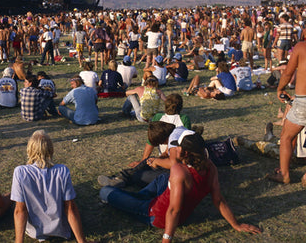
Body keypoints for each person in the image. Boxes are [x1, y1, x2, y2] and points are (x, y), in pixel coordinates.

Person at [99, 130, 261, 240]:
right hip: (180, 214)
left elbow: (173, 210)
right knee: (162, 180)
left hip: (156, 215)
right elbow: (218, 200)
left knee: (106, 192)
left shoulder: (179, 171)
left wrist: (166, 239)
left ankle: (126, 194)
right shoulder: (210, 166)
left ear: (184, 151)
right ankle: (138, 196)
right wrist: (236, 225)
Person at [11, 130, 92, 243]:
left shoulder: (20, 172)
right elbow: (70, 208)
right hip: (61, 229)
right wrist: (82, 241)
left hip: (35, 231)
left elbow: (20, 211)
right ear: (50, 149)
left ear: (30, 149)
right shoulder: (62, 171)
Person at [268, 41, 306, 185]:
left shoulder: (301, 47)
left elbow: (288, 72)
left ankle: (284, 174)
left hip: (304, 101)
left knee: (286, 137)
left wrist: (280, 88)